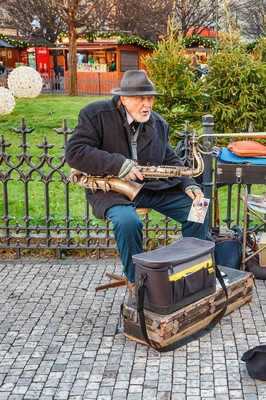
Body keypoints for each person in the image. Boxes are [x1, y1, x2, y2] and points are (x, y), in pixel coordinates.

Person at [65, 70, 208, 297]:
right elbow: (75, 152)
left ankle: (192, 271)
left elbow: (170, 159)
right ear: (123, 99)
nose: (146, 104)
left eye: (149, 98)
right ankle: (136, 281)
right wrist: (117, 164)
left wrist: (188, 183)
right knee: (128, 221)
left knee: (198, 208)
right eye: (139, 98)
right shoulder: (96, 114)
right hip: (112, 188)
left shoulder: (158, 124)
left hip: (150, 188)